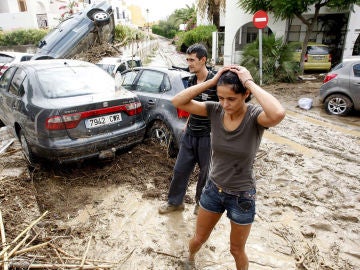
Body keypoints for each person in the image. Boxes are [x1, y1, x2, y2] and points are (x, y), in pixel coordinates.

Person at [171, 66, 286, 269]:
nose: (225, 104)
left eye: (231, 99)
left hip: (242, 196)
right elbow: (178, 101)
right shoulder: (215, 110)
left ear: (245, 94)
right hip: (213, 190)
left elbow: (277, 113)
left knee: (236, 250)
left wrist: (249, 81)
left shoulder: (255, 117)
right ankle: (189, 259)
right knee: (198, 239)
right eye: (221, 98)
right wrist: (213, 81)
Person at [158, 43, 218, 215]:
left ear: (203, 60)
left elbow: (224, 107)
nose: (189, 63)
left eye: (192, 60)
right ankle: (175, 202)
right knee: (180, 169)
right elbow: (190, 104)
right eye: (188, 59)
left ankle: (201, 204)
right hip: (190, 133)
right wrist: (187, 123)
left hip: (208, 136)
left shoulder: (215, 81)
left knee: (205, 173)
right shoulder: (191, 80)